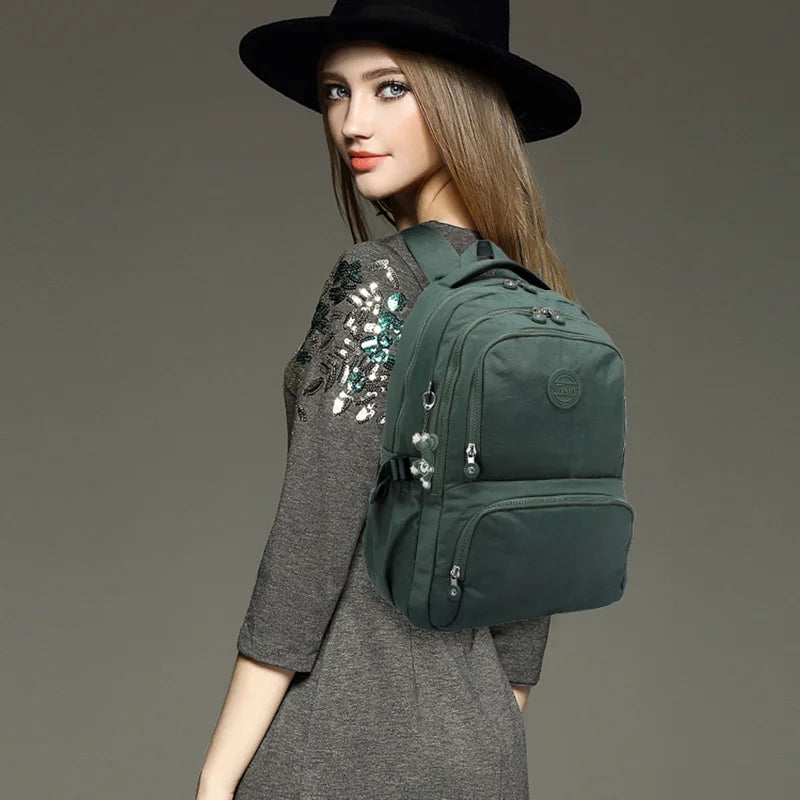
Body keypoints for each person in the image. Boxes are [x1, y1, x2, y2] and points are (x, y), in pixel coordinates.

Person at [196, 3, 582, 799]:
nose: (352, 122)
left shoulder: (378, 282)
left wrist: (216, 778)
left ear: (461, 104)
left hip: (342, 742)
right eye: (336, 91)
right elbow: (531, 573)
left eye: (390, 88)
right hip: (485, 749)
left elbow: (309, 548)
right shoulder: (535, 304)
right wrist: (478, 729)